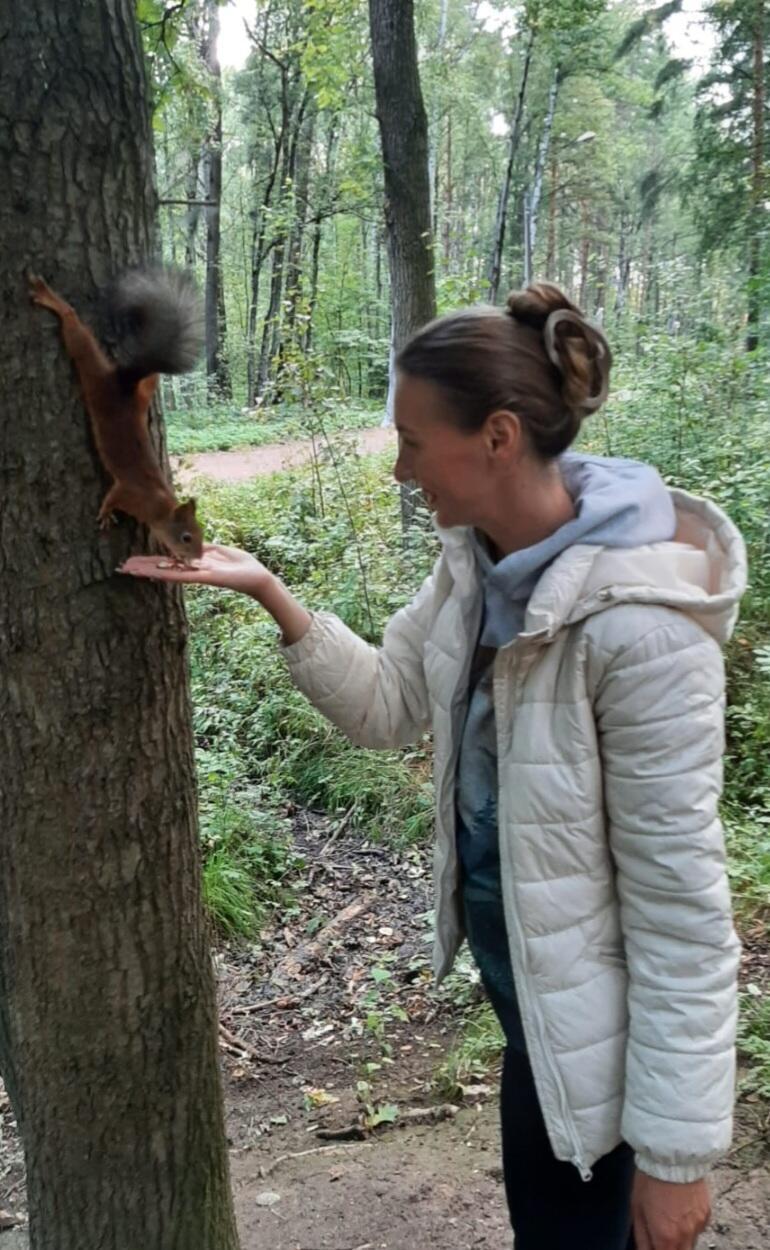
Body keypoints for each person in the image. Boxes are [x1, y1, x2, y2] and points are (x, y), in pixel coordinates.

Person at [121, 283, 746, 1250]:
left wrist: (678, 1157)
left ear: (497, 437)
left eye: (413, 440)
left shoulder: (642, 633)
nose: (401, 468)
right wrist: (270, 593)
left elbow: (683, 912)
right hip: (536, 1012)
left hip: (611, 1053)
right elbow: (388, 703)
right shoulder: (474, 564)